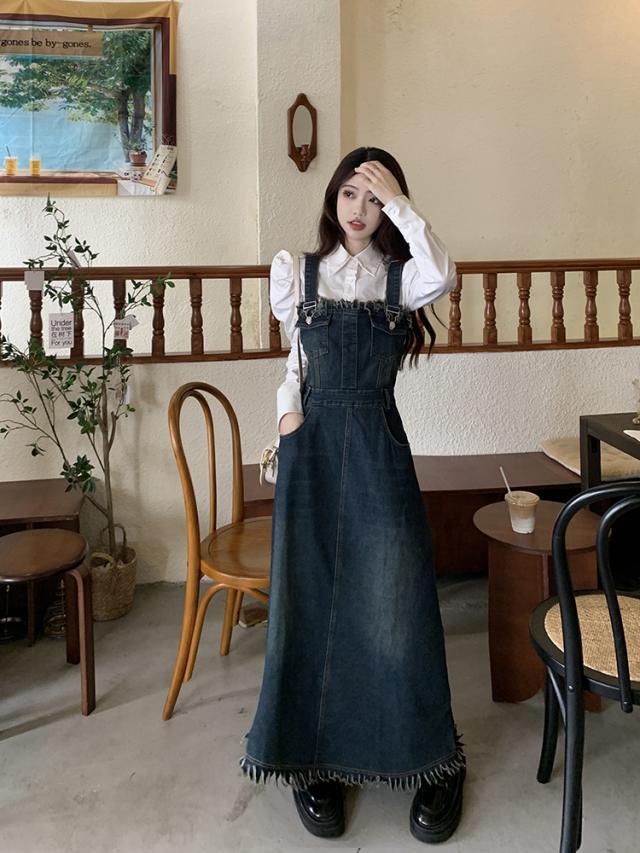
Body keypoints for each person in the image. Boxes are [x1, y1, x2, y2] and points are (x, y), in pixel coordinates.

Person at [240, 147, 465, 844]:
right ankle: (313, 759)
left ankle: (433, 758)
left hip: (377, 444)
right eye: (350, 193)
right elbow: (295, 361)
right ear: (332, 200)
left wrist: (401, 202)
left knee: (398, 600)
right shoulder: (298, 272)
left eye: (373, 197)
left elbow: (445, 272)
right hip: (311, 447)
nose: (359, 209)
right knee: (309, 600)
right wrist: (287, 415)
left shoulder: (402, 278)